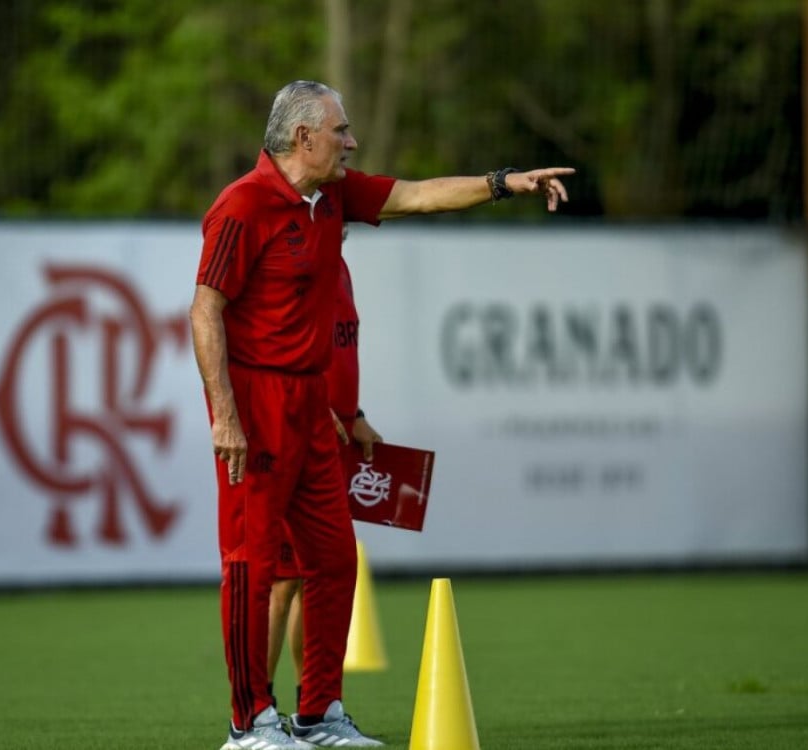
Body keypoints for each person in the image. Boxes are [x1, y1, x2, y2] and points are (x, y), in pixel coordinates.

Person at [190, 79, 573, 750]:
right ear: (302, 137)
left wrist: (505, 182)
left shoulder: (333, 194)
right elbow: (205, 310)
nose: (352, 141)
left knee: (335, 561)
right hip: (256, 405)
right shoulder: (241, 206)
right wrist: (224, 413)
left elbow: (420, 195)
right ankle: (247, 724)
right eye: (341, 130)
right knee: (251, 565)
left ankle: (317, 715)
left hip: (312, 406)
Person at [267, 227, 381, 723]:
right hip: (295, 437)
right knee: (281, 580)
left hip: (330, 438)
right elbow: (278, 351)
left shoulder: (338, 269)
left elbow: (338, 352)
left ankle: (309, 707)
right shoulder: (295, 272)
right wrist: (315, 408)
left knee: (311, 576)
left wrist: (354, 414)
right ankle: (256, 712)